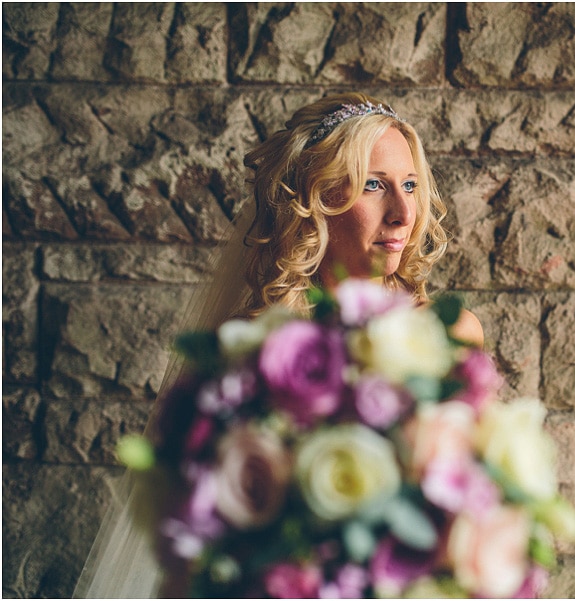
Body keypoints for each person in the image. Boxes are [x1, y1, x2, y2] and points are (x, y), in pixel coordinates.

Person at [74, 92, 482, 597]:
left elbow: (469, 496)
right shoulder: (259, 347)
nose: (402, 213)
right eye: (373, 185)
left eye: (411, 185)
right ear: (316, 199)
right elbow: (220, 508)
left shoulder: (452, 333)